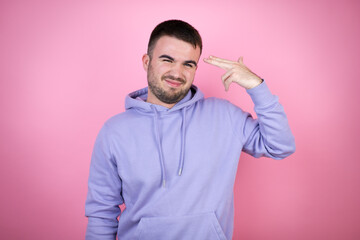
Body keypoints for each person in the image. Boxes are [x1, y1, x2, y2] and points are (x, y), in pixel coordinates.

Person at [85, 19, 295, 240]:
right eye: (167, 60)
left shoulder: (224, 116)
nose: (177, 73)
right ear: (147, 62)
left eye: (188, 64)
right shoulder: (114, 131)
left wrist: (256, 86)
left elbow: (280, 146)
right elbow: (102, 213)